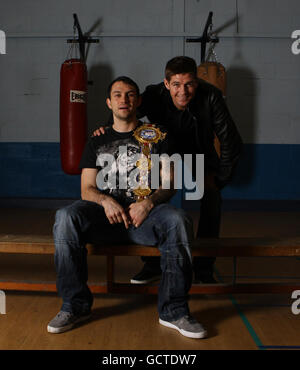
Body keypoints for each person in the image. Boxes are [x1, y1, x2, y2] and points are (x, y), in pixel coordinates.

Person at [47, 76, 207, 339]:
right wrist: (105, 200)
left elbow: (169, 185)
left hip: (145, 218)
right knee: (65, 217)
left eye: (130, 94)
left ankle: (174, 311)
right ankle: (74, 306)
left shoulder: (159, 136)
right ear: (109, 102)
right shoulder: (96, 140)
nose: (124, 99)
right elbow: (86, 189)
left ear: (138, 101)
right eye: (118, 95)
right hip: (105, 218)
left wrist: (148, 202)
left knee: (178, 220)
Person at [93, 56, 243, 285]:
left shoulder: (211, 96)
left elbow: (231, 141)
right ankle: (152, 264)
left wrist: (220, 179)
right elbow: (124, 110)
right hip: (163, 153)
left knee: (212, 197)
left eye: (189, 84)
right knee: (146, 192)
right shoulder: (153, 95)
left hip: (198, 155)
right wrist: (105, 129)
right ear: (166, 84)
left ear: (197, 82)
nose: (183, 91)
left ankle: (203, 269)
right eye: (176, 85)